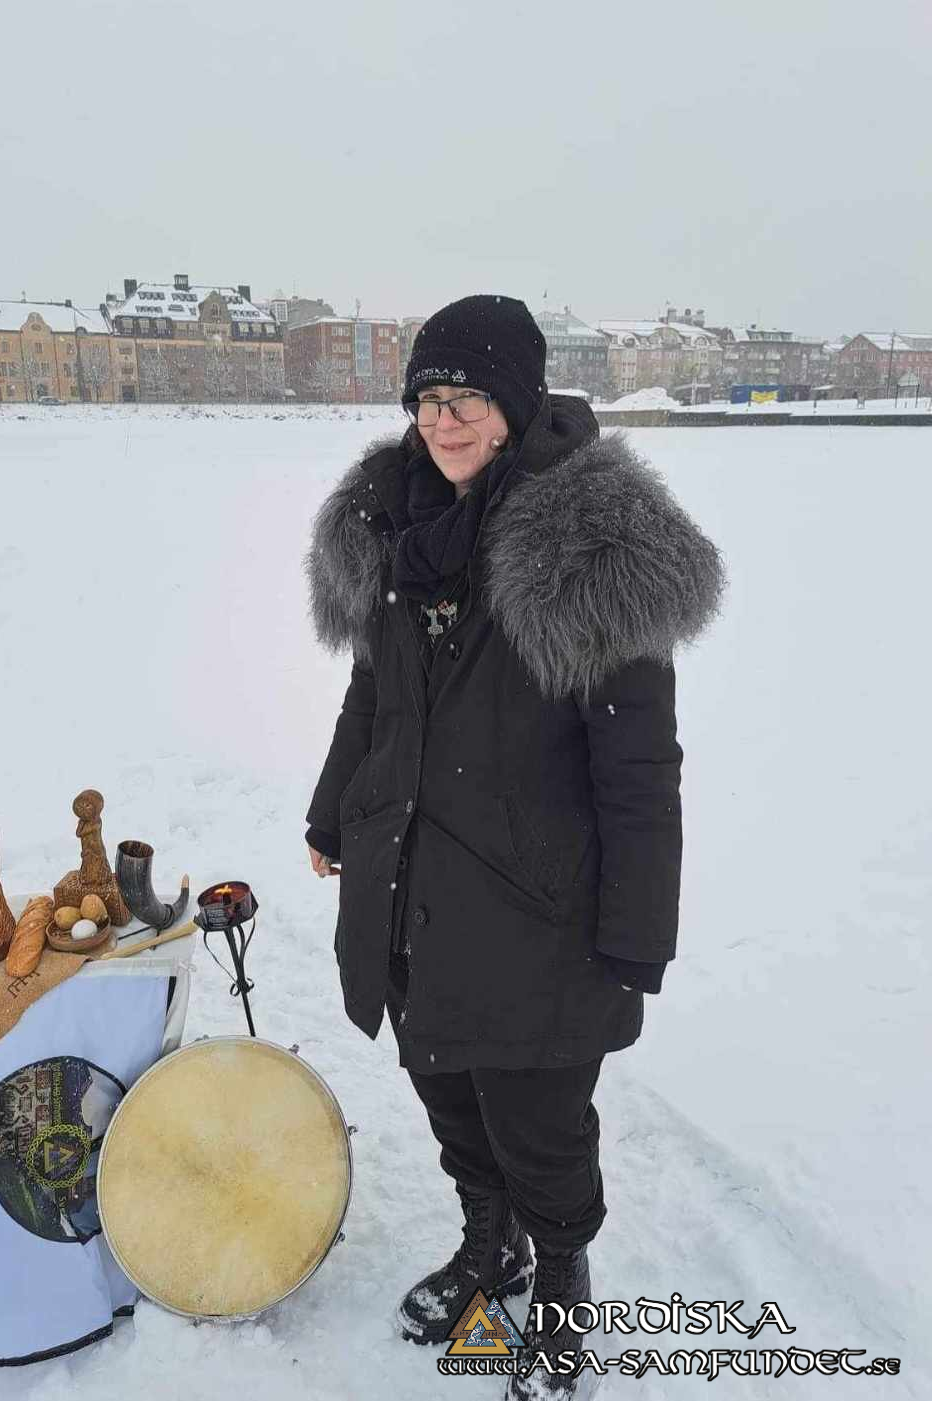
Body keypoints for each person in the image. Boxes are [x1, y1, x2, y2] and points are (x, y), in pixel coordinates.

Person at [303, 295, 725, 1398]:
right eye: (429, 400)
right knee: (446, 1088)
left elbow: (639, 769)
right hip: (416, 883)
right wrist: (331, 809)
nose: (444, 423)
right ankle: (490, 1245)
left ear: (519, 403)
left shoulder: (589, 548)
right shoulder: (395, 525)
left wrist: (635, 934)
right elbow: (374, 696)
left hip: (540, 907)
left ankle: (563, 1281)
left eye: (470, 399)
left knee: (540, 1119)